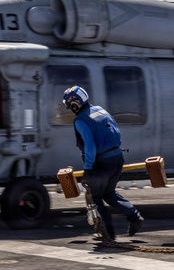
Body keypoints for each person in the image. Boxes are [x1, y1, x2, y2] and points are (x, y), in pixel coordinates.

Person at [62, 85, 144, 240]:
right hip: (117, 158)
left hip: (102, 164)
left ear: (74, 104)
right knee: (109, 193)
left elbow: (90, 145)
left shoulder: (80, 120)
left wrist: (88, 169)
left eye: (70, 105)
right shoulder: (101, 110)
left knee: (95, 197)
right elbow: (116, 130)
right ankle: (134, 216)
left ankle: (108, 233)